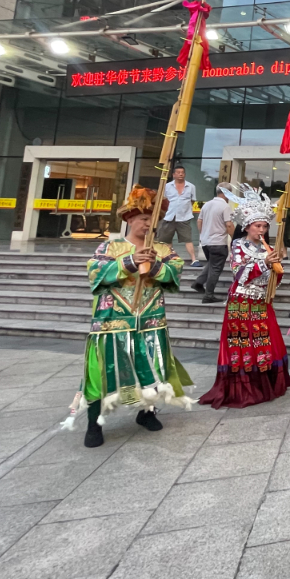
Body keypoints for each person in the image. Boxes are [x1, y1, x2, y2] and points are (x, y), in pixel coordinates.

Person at [65, 185, 195, 447]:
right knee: (102, 372)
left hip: (150, 321)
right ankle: (94, 423)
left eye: (152, 220)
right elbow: (95, 273)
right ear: (129, 220)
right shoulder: (110, 246)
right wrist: (130, 262)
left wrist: (155, 265)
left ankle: (146, 412)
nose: (148, 225)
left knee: (151, 371)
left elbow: (174, 274)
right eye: (143, 219)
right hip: (112, 322)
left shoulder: (162, 248)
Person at [200, 184, 290, 409]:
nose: (261, 230)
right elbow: (239, 274)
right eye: (257, 226)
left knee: (263, 341)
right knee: (241, 342)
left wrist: (276, 269)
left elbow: (273, 279)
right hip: (241, 301)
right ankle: (243, 387)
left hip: (261, 301)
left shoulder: (268, 248)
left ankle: (264, 383)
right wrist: (264, 263)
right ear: (248, 226)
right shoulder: (239, 245)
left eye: (264, 226)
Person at [192, 182, 234, 304]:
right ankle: (208, 295)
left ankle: (198, 282)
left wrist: (203, 234)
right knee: (215, 268)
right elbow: (229, 224)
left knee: (212, 263)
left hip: (206, 242)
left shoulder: (207, 205)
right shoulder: (225, 207)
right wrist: (236, 238)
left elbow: (199, 221)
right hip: (218, 242)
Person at [157, 165, 200, 266]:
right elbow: (163, 201)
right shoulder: (167, 186)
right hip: (169, 216)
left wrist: (185, 209)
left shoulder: (191, 186)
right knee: (167, 239)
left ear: (185, 174)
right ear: (174, 175)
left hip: (184, 217)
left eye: (182, 172)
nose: (181, 174)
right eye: (178, 172)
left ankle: (194, 260)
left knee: (188, 239)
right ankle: (169, 258)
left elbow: (192, 200)